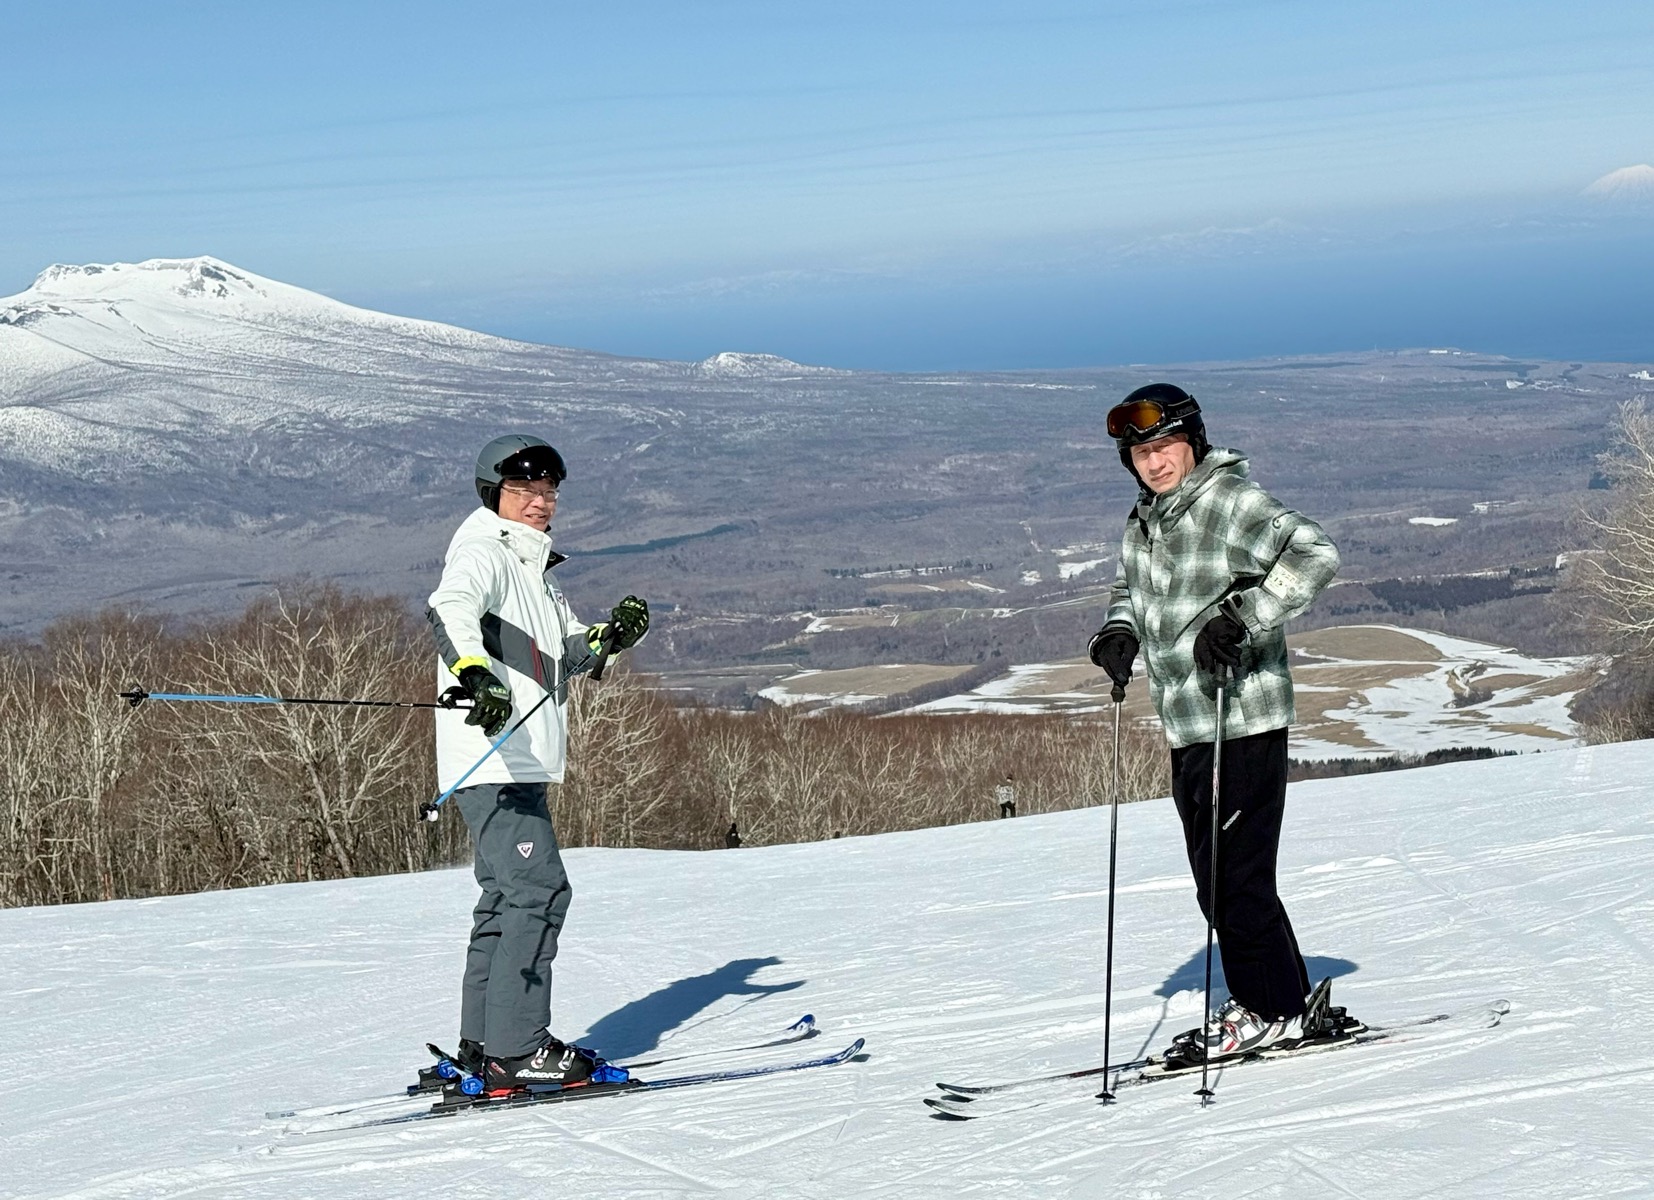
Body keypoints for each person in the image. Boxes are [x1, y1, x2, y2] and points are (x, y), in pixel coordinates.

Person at [1086, 384, 1344, 1062]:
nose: (1154, 461)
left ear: (1192, 442)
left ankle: (1267, 1010)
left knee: (1235, 882)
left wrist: (1244, 617)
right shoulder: (1146, 520)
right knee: (1220, 882)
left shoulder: (1229, 502)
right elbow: (1130, 588)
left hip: (1244, 716)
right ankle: (1290, 1005)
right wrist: (1119, 630)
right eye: (1140, 451)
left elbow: (1316, 554)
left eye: (1164, 445)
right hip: (1190, 726)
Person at [426, 433, 649, 1093]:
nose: (540, 502)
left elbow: (564, 654)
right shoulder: (483, 551)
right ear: (495, 493)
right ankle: (518, 1049)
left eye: (548, 490)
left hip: (513, 760)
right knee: (540, 891)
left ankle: (484, 1044)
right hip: (493, 757)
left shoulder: (531, 570)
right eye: (524, 490)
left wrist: (608, 637)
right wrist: (473, 674)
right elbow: (450, 610)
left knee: (505, 897)